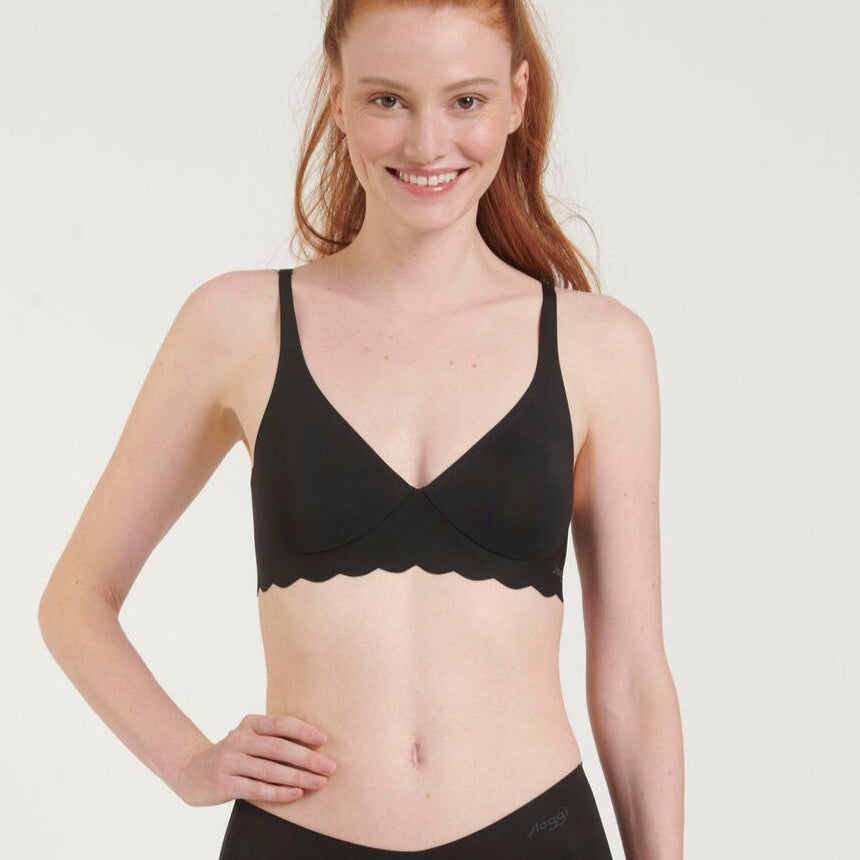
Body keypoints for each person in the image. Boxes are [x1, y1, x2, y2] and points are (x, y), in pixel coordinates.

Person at [38, 1, 684, 858]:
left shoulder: (600, 346)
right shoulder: (236, 326)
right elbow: (76, 598)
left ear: (518, 99)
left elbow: (633, 678)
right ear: (338, 97)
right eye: (388, 100)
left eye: (466, 100)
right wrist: (186, 761)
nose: (427, 143)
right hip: (297, 838)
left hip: (538, 835)